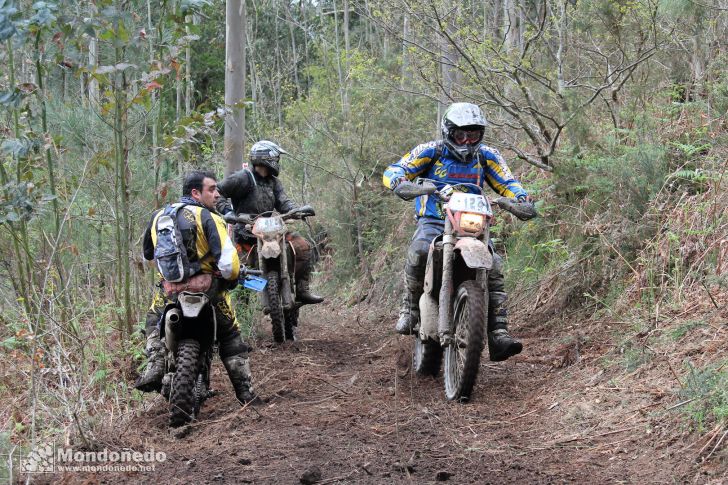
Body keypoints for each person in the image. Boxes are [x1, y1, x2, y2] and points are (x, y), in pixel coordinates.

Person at [383, 102, 533, 362]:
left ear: (480, 135)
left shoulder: (487, 155)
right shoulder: (431, 151)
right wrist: (399, 182)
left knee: (494, 265)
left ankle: (498, 333)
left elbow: (507, 182)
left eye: (473, 134)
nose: (466, 140)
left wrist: (520, 198)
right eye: (460, 134)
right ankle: (409, 310)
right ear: (448, 131)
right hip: (434, 220)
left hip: (472, 224)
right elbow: (396, 169)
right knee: (419, 251)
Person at [135, 170, 257, 403]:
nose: (217, 194)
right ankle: (245, 394)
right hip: (207, 290)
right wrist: (228, 280)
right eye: (211, 189)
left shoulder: (159, 215)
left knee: (152, 319)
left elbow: (148, 253)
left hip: (170, 290)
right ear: (195, 192)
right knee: (231, 335)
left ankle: (156, 359)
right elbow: (229, 264)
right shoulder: (210, 217)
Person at [216, 140, 324, 305]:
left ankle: (302, 290)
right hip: (246, 234)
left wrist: (296, 210)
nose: (277, 162)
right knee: (241, 273)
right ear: (267, 158)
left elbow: (283, 202)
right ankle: (243, 310)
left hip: (271, 231)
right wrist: (227, 212)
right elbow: (219, 192)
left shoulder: (273, 182)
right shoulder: (243, 177)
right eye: (276, 158)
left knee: (302, 246)